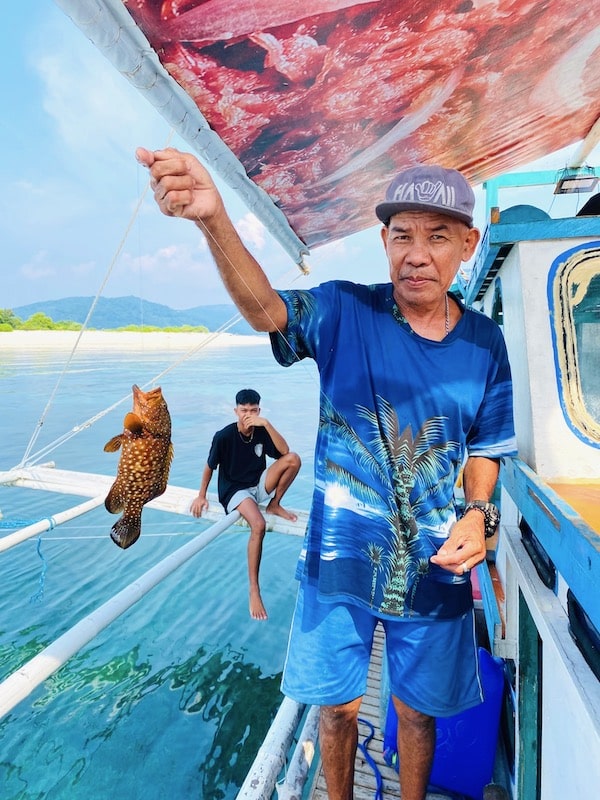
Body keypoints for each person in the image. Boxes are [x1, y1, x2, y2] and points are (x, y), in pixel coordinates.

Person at [136, 146, 517, 800]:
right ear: (383, 240)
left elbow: (485, 447)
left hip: (436, 568)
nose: (417, 253)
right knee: (337, 711)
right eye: (402, 236)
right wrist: (213, 220)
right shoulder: (344, 310)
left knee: (415, 712)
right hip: (338, 563)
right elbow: (266, 310)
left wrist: (480, 516)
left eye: (438, 237)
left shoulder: (485, 343)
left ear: (467, 244)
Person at [190, 388, 301, 620]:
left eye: (253, 410)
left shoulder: (260, 431)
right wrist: (201, 495)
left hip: (257, 485)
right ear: (236, 411)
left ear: (259, 410)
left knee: (293, 460)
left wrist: (267, 424)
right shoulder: (224, 436)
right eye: (243, 410)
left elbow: (284, 452)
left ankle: (275, 504)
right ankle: (254, 589)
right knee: (258, 525)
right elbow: (209, 467)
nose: (248, 414)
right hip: (235, 491)